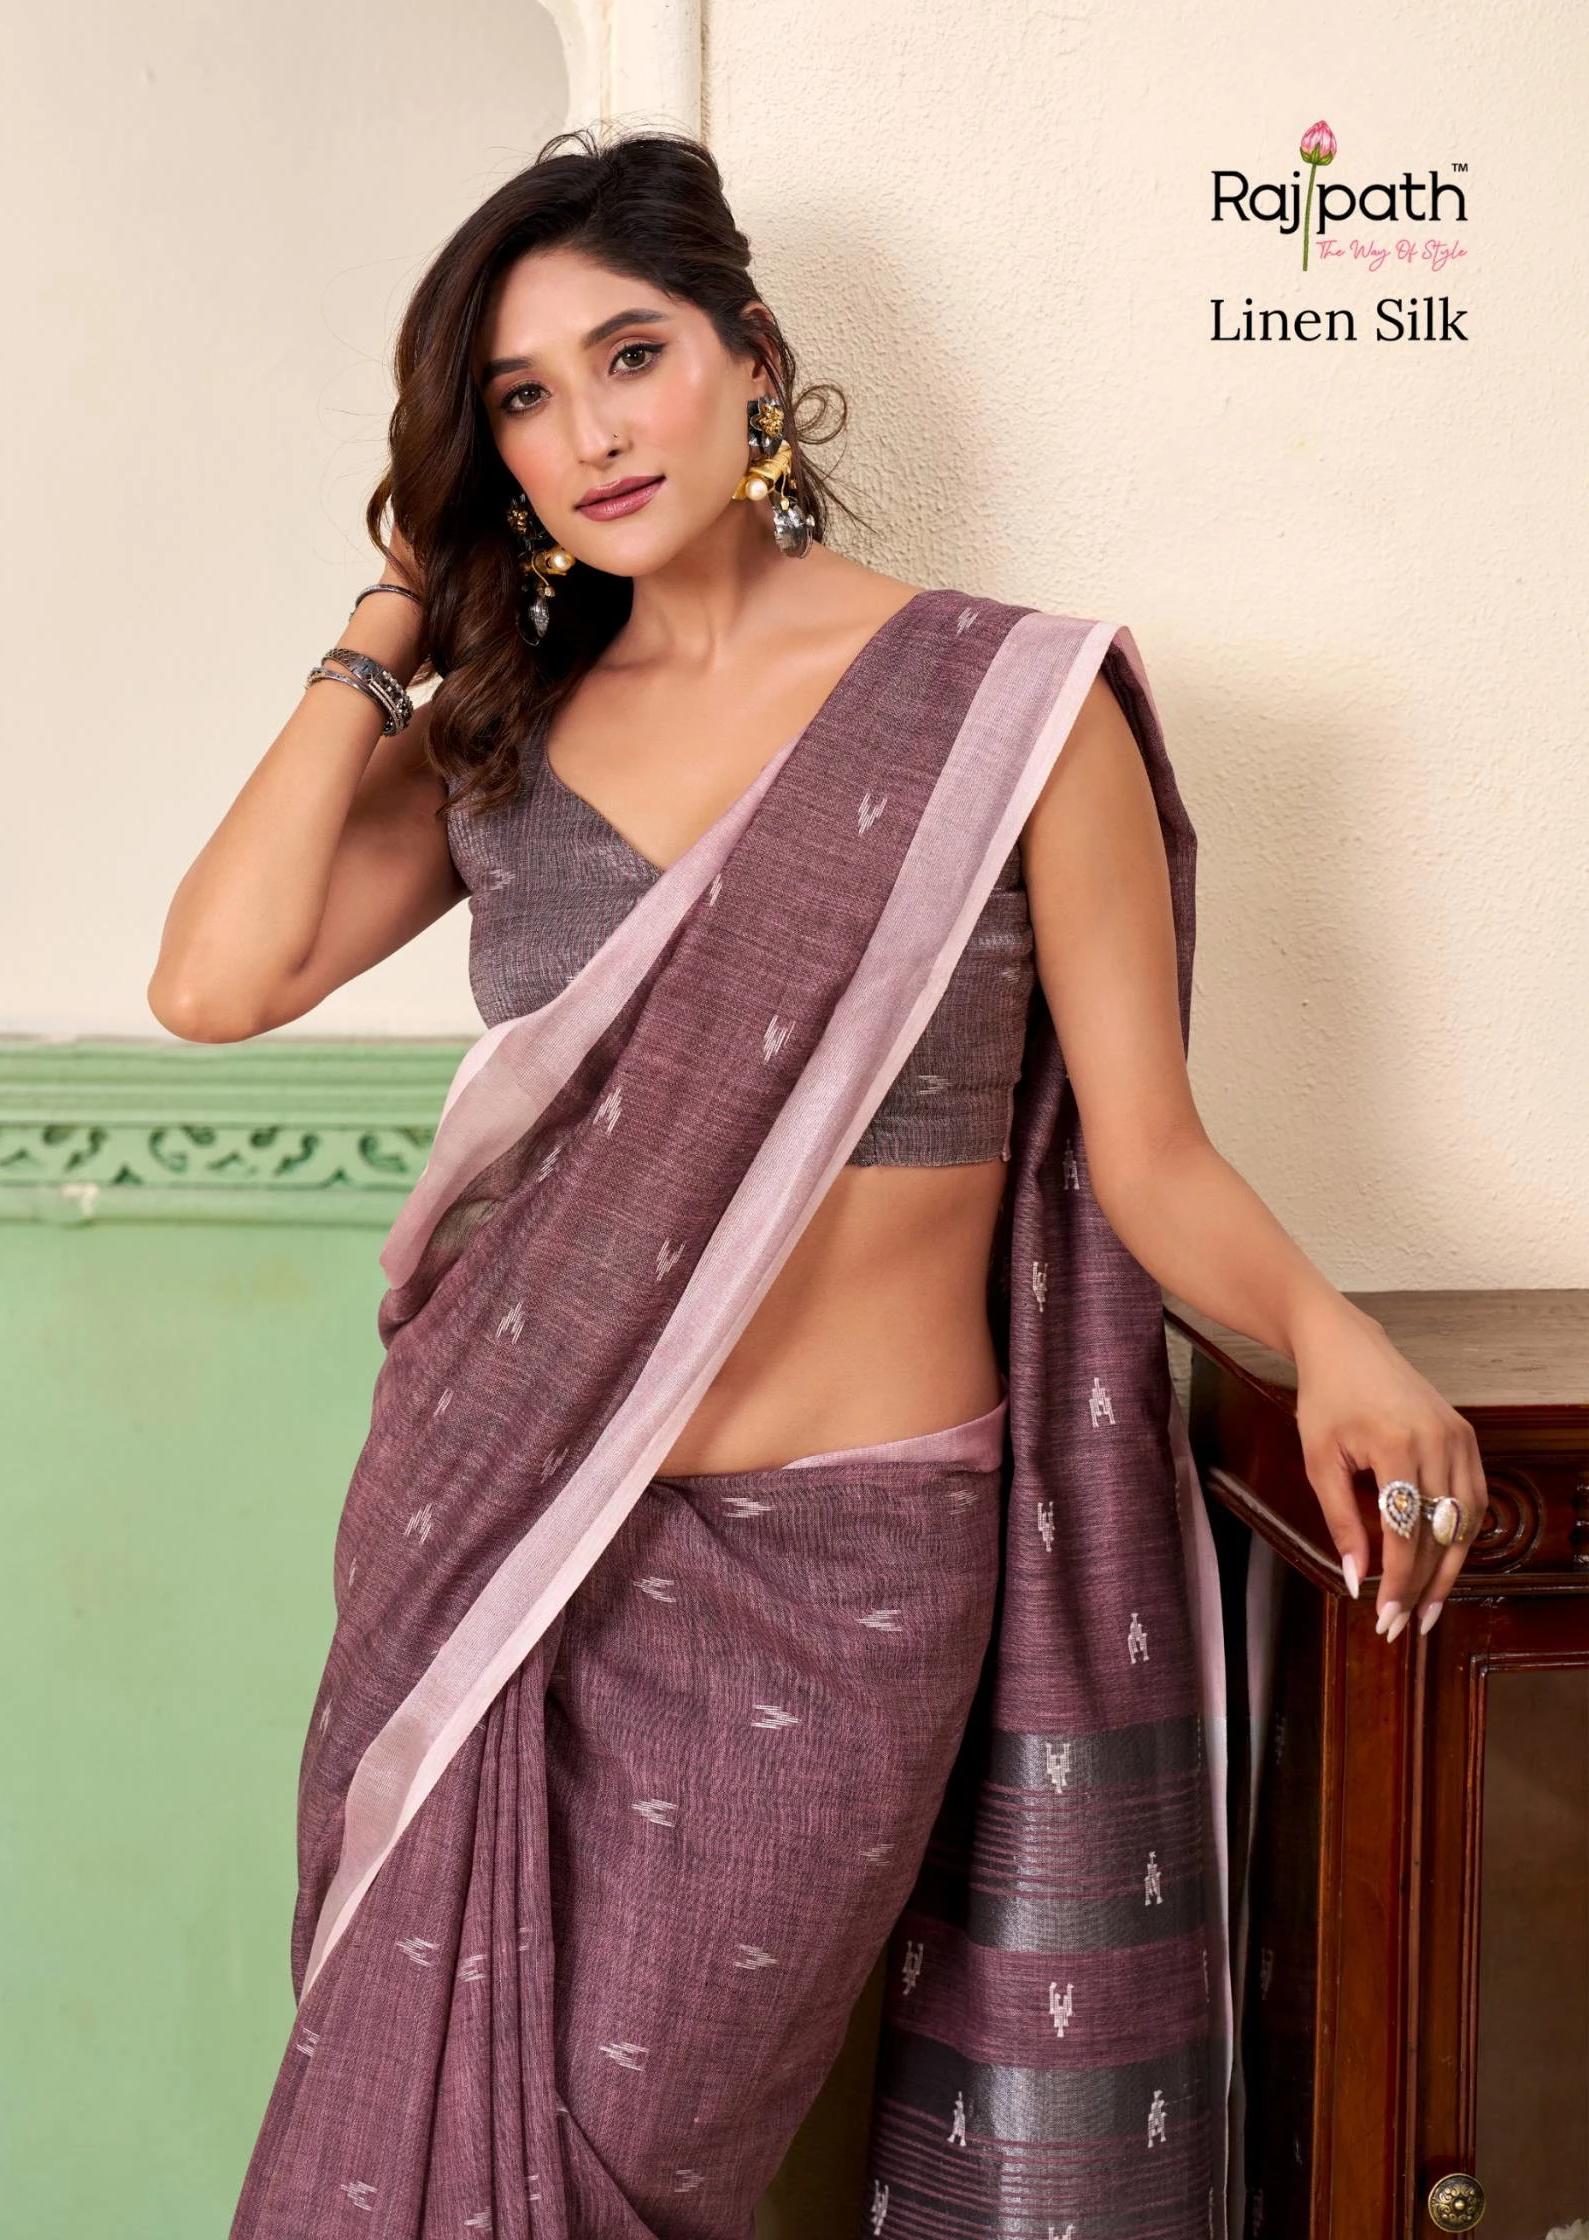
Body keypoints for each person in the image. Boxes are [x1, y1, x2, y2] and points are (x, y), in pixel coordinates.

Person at [149, 125, 1487, 2240]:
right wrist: (386, 619)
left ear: (751, 360)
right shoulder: (501, 734)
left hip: (843, 1569)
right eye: (522, 398)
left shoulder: (1006, 708)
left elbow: (1146, 1149)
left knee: (620, 2173)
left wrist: (1331, 1334)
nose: (593, 431)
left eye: (633, 355)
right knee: (396, 2144)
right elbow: (213, 982)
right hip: (497, 1536)